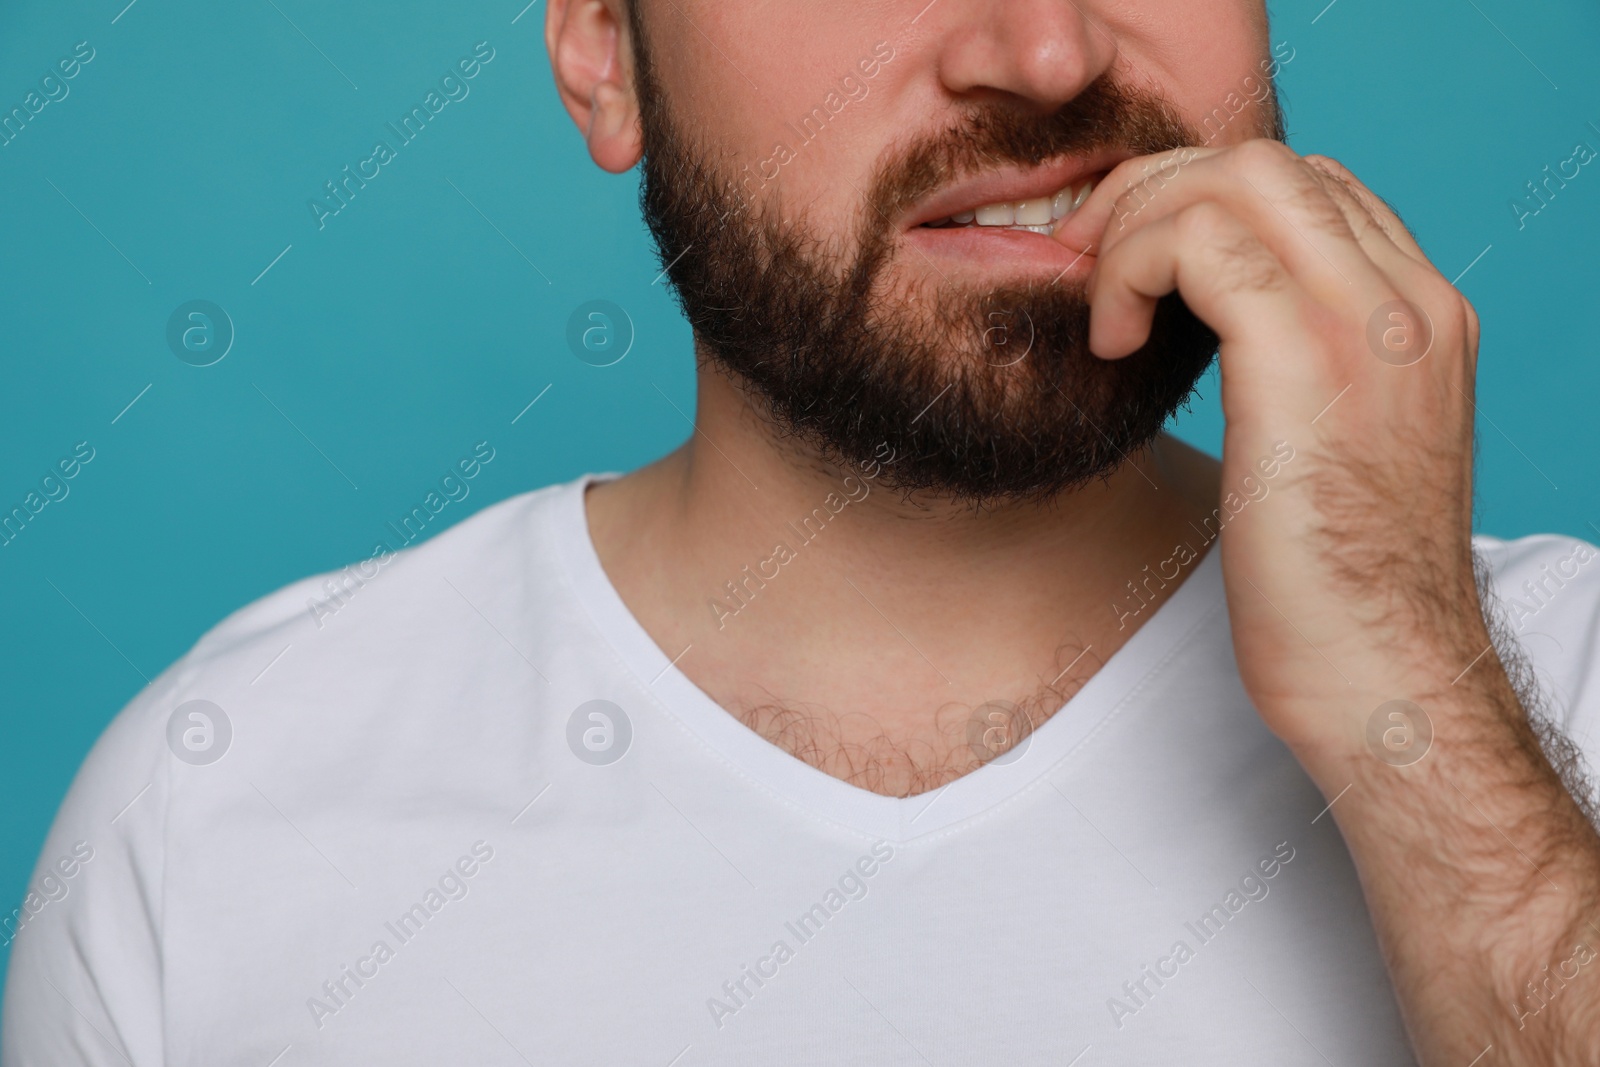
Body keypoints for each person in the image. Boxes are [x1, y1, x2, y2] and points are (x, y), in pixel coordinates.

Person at [7, 0, 1600, 1063]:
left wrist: (1414, 700)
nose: (1043, 52)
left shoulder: (1554, 712)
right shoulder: (215, 812)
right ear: (607, 54)